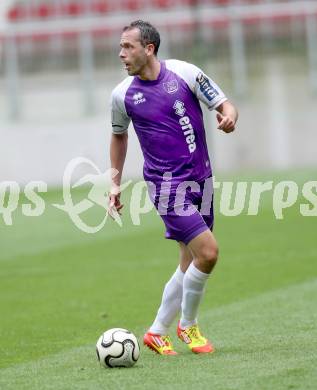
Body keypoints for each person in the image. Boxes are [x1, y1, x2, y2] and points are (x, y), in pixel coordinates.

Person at [109, 20, 238, 355]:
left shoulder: (185, 73)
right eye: (121, 47)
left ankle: (156, 331)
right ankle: (188, 327)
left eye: (128, 47)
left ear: (149, 48)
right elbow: (118, 135)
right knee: (208, 254)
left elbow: (223, 103)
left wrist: (228, 117)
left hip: (202, 180)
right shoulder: (122, 95)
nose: (121, 54)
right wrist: (114, 181)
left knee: (188, 262)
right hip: (166, 186)